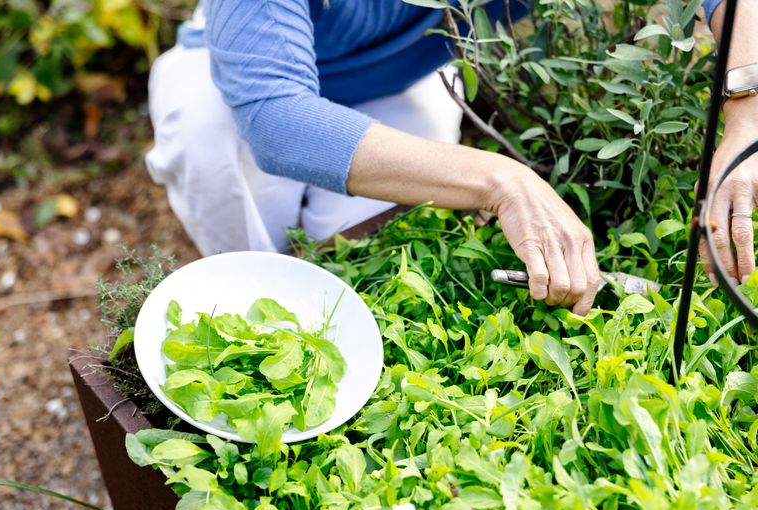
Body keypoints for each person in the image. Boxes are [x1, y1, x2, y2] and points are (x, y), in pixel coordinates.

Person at [145, 0, 757, 317]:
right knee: (215, 157)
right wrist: (500, 178)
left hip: (397, 76)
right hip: (236, 79)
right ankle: (241, 308)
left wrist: (748, 116)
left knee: (372, 249)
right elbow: (275, 116)